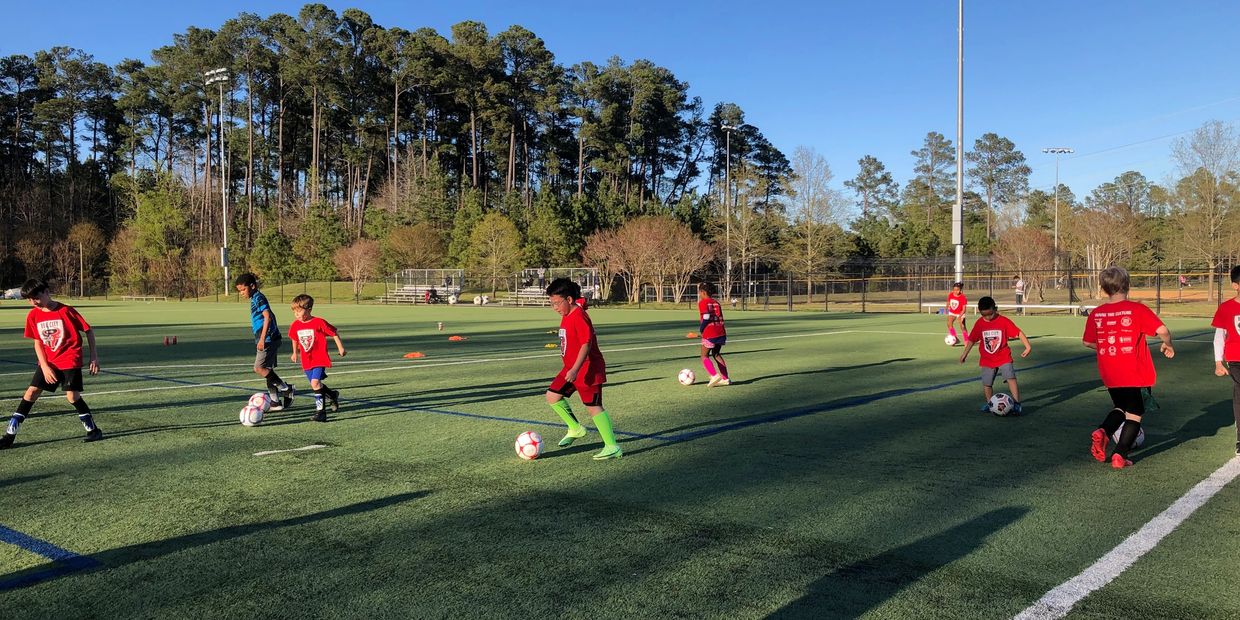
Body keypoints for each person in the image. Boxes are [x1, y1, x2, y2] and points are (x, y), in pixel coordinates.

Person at [1085, 266, 1174, 469]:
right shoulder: (1137, 309)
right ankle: (1120, 455)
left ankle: (1103, 431)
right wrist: (1168, 344)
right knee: (1134, 413)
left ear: (1103, 289)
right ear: (1127, 285)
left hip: (1110, 372)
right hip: (1135, 372)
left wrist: (1108, 347)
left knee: (1121, 407)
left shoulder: (1097, 313)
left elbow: (1088, 342)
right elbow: (1162, 330)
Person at [0, 279, 103, 449]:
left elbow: (88, 331)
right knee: (31, 393)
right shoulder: (33, 315)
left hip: (70, 360)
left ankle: (93, 430)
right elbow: (38, 342)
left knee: (72, 396)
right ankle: (9, 436)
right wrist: (45, 366)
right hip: (49, 362)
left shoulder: (66, 311)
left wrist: (94, 357)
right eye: (29, 299)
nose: (33, 302)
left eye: (36, 297)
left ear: (47, 292)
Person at [544, 278, 621, 460]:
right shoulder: (569, 312)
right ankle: (575, 428)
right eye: (551, 303)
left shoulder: (578, 316)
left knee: (593, 407)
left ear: (569, 299)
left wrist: (575, 369)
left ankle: (612, 446)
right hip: (571, 368)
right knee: (552, 396)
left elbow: (586, 344)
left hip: (587, 369)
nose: (554, 307)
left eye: (556, 303)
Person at [959, 296, 1031, 413]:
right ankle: (990, 404)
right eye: (984, 315)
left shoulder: (1003, 321)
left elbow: (1018, 333)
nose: (987, 317)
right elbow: (972, 339)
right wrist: (964, 354)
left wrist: (1028, 346)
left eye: (990, 314)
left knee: (1011, 378)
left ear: (995, 309)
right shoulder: (979, 323)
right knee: (987, 383)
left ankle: (1017, 403)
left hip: (1003, 356)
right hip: (987, 359)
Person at [235, 273, 294, 411]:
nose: (241, 293)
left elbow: (267, 316)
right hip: (270, 338)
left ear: (252, 286)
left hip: (268, 339)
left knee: (259, 368)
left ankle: (286, 389)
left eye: (243, 290)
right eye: (240, 291)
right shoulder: (255, 298)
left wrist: (262, 338)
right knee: (268, 369)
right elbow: (271, 315)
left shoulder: (258, 298)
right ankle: (275, 401)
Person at [289, 294, 346, 423]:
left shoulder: (319, 322)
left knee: (315, 383)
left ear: (309, 309)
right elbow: (294, 338)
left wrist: (341, 348)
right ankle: (332, 394)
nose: (296, 314)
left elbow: (334, 333)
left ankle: (321, 413)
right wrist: (295, 352)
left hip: (319, 358)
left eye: (299, 311)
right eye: (294, 312)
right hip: (306, 360)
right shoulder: (295, 325)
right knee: (315, 385)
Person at [1211, 265, 1240, 455]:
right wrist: (1218, 362)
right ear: (1235, 285)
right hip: (1236, 359)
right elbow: (1219, 337)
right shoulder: (1226, 308)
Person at [697, 282, 731, 387]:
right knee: (716, 354)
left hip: (710, 332)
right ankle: (725, 378)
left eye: (699, 292)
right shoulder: (716, 302)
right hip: (720, 332)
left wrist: (701, 328)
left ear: (703, 292)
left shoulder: (703, 302)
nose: (699, 294)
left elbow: (706, 316)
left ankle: (714, 375)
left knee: (704, 356)